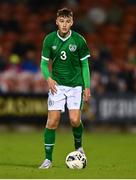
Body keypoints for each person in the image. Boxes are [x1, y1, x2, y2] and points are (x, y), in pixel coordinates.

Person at [39, 7, 91, 169]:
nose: (64, 24)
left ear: (72, 22)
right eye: (61, 21)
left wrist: (87, 86)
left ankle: (79, 148)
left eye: (67, 21)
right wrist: (48, 78)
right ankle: (48, 159)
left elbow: (84, 65)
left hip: (75, 85)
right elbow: (43, 63)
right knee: (52, 122)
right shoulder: (49, 39)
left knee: (75, 120)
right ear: (57, 22)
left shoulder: (79, 40)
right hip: (57, 86)